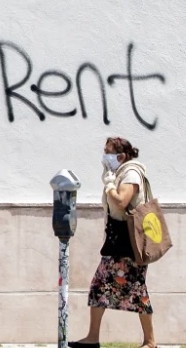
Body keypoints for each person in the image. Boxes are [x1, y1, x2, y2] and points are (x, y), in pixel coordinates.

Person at [68, 136, 156, 348]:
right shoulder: (121, 172)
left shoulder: (131, 173)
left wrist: (109, 185)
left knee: (133, 290)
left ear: (121, 156)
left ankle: (150, 341)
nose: (104, 155)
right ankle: (93, 338)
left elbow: (121, 201)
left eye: (108, 151)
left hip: (128, 242)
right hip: (118, 241)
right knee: (104, 287)